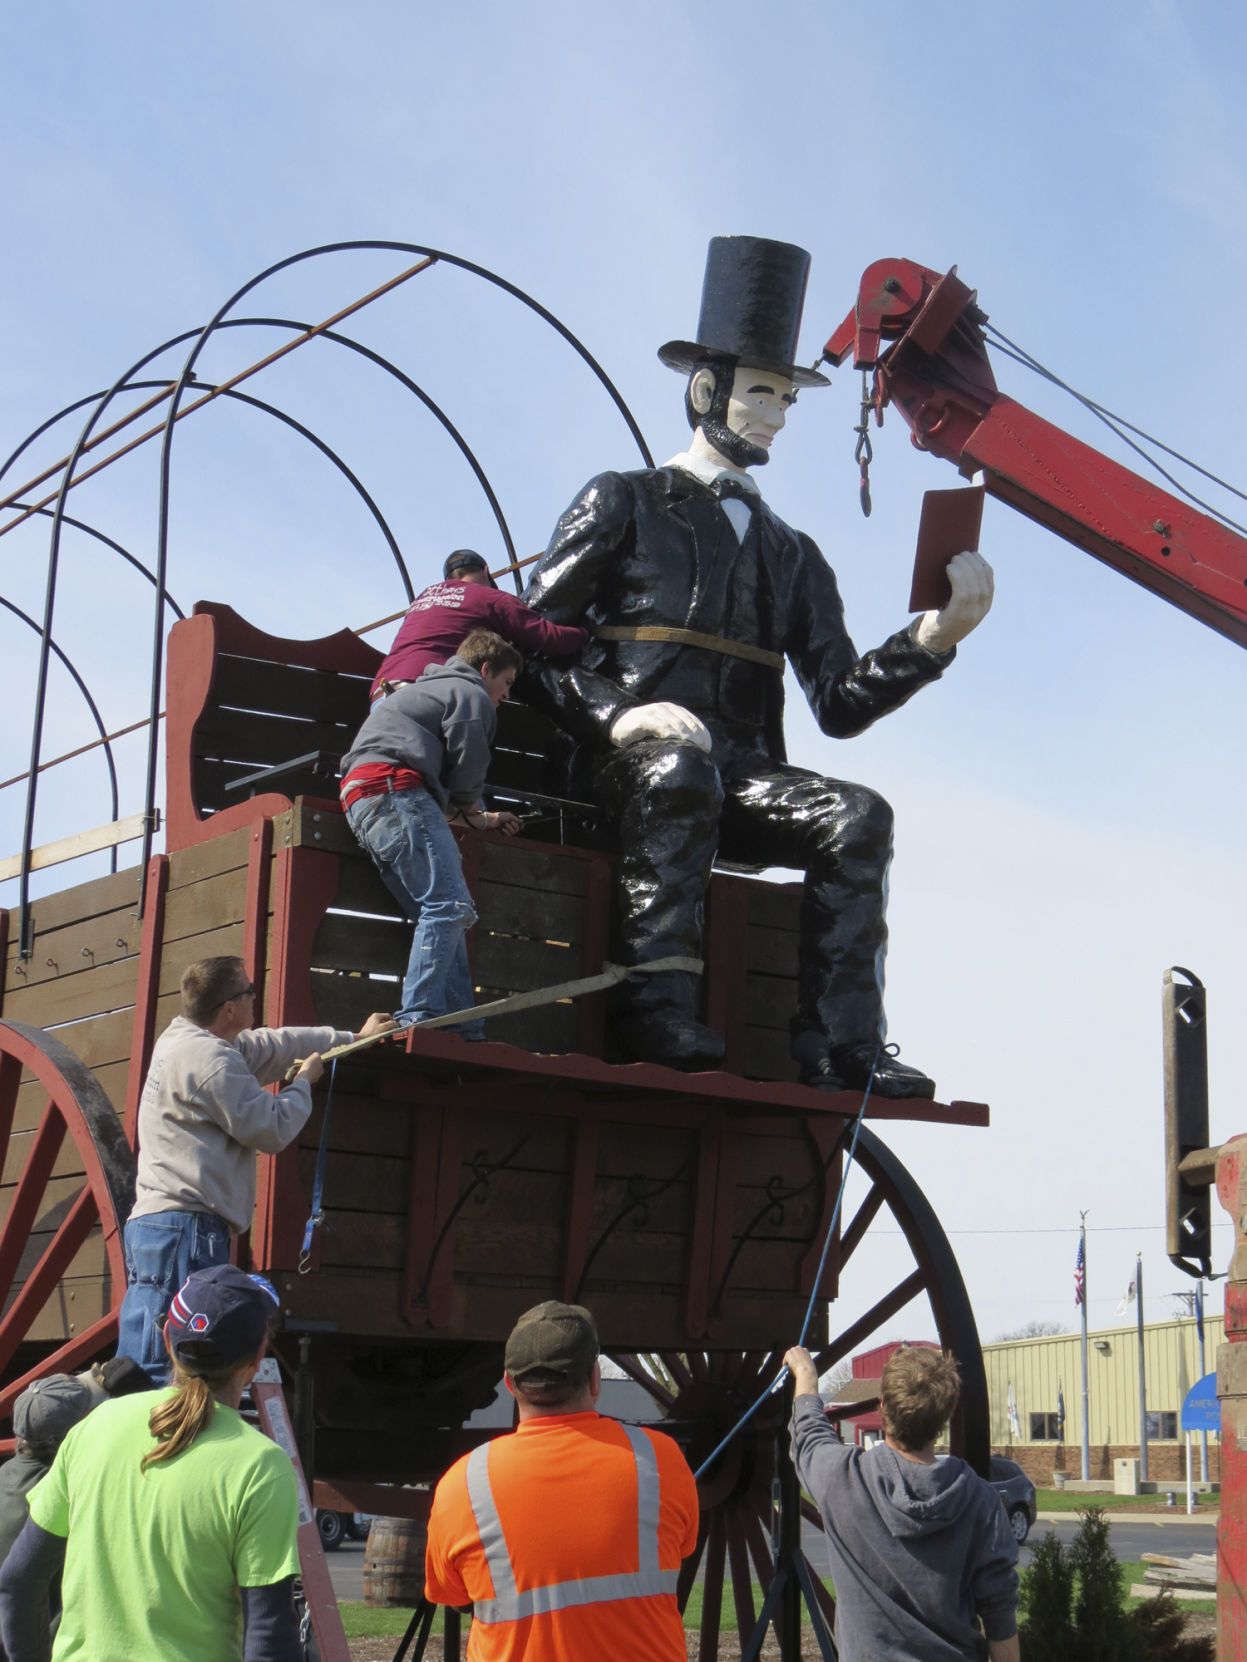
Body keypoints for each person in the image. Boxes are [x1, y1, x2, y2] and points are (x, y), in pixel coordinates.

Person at [521, 235, 994, 1093]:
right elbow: (533, 646)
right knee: (676, 769)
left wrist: (933, 637)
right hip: (620, 766)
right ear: (706, 392)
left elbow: (839, 702)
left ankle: (841, 1044)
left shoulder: (792, 553)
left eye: (784, 401)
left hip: (734, 773)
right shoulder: (621, 500)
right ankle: (651, 1004)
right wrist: (620, 715)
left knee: (859, 816)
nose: (775, 417)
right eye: (761, 396)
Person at [0, 1265, 302, 1662]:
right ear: (257, 1356)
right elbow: (270, 1635)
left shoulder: (94, 1427)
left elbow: (18, 1580)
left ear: (166, 1339)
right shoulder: (260, 1464)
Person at [116, 955, 394, 1381]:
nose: (253, 995)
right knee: (171, 1366)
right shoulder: (211, 1062)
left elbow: (273, 1045)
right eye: (248, 990)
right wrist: (304, 1084)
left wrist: (352, 1037)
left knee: (153, 1356)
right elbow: (273, 1127)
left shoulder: (189, 1040)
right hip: (185, 1228)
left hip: (166, 1225)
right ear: (229, 1008)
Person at [425, 1300, 698, 1661]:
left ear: (509, 1384)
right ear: (594, 1378)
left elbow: (451, 1594)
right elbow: (683, 1547)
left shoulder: (462, 1484)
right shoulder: (662, 1459)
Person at [340, 627, 524, 1037]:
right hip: (395, 789)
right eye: (507, 683)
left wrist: (483, 818)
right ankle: (419, 1016)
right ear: (486, 667)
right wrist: (476, 808)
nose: (506, 695)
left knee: (444, 913)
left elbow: (436, 795)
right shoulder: (471, 693)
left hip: (364, 800)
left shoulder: (420, 692)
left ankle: (462, 1026)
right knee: (450, 907)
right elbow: (469, 764)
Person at [785, 1342, 1019, 1662]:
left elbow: (809, 1436)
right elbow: (999, 1617)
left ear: (881, 1406)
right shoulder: (982, 1502)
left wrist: (806, 1376)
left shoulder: (843, 1480)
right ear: (946, 1416)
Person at [370, 548, 587, 701]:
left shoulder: (424, 597)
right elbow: (549, 637)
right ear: (486, 571)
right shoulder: (490, 597)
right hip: (429, 692)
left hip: (383, 692)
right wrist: (586, 633)